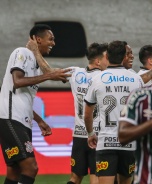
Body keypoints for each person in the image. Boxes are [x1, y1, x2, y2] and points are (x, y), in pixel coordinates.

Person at [0, 24, 71, 184]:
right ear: (38, 39)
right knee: (31, 168)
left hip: (21, 120)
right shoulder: (22, 52)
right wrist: (48, 76)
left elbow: (24, 97)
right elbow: (17, 81)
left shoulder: (38, 67)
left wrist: (39, 120)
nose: (53, 43)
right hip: (10, 118)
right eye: (50, 39)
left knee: (14, 171)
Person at [84, 40, 144, 184]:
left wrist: (90, 134)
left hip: (105, 142)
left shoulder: (97, 79)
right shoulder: (136, 79)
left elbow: (87, 114)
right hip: (129, 142)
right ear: (124, 57)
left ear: (107, 56)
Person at [65, 42, 108, 184]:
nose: (108, 60)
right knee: (96, 178)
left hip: (78, 135)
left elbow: (50, 72)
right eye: (106, 57)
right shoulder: (104, 77)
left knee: (75, 178)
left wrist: (37, 54)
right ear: (98, 61)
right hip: (97, 135)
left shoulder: (75, 72)